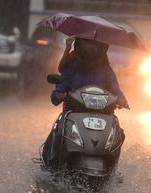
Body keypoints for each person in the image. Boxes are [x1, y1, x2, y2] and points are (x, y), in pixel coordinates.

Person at [42, 37, 129, 168]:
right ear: (79, 46)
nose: (91, 50)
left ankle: (113, 168)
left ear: (101, 49)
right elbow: (58, 91)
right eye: (87, 45)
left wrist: (122, 100)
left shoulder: (106, 70)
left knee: (119, 134)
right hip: (74, 112)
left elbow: (116, 90)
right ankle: (53, 164)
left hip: (103, 114)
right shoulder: (71, 67)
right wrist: (61, 95)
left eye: (95, 46)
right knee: (58, 131)